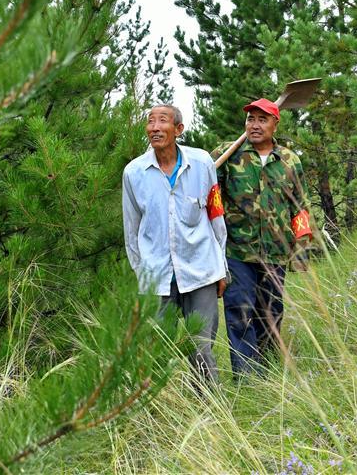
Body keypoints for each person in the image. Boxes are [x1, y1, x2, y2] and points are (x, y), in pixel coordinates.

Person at [122, 105, 228, 384]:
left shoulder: (202, 163)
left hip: (201, 269)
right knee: (158, 349)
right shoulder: (134, 173)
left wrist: (221, 267)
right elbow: (130, 230)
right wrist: (140, 273)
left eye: (163, 121)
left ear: (178, 130)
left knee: (201, 347)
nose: (155, 127)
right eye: (150, 122)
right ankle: (164, 414)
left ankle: (209, 411)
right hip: (157, 275)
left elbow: (216, 216)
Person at [211, 98, 313, 376]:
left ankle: (266, 371)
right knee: (240, 312)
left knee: (271, 313)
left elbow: (301, 207)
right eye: (250, 119)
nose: (254, 125)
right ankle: (247, 378)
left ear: (275, 123)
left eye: (261, 119)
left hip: (276, 252)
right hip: (237, 252)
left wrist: (301, 247)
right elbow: (208, 195)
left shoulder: (290, 160)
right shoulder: (227, 155)